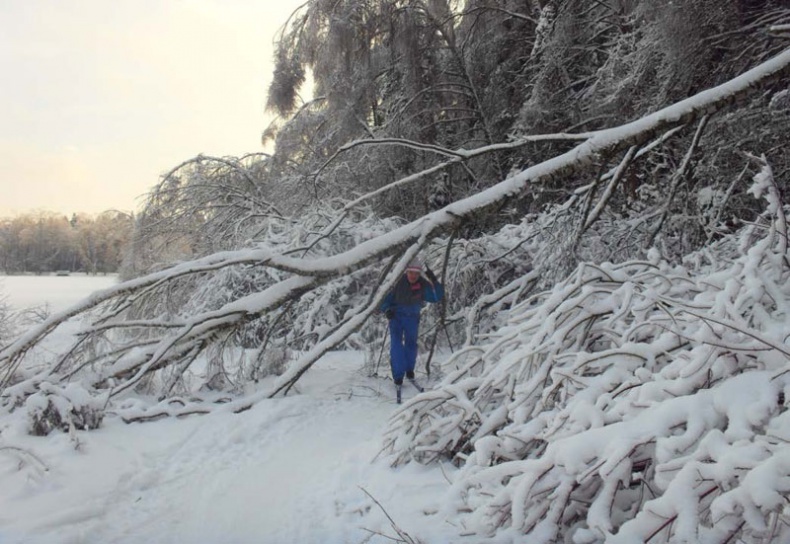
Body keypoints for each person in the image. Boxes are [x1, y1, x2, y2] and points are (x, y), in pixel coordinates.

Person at [380, 257, 444, 403]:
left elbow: (436, 296)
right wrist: (387, 309)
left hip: (412, 318)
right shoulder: (397, 283)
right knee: (396, 345)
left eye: (416, 273)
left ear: (419, 273)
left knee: (411, 344)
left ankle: (409, 370)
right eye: (410, 272)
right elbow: (384, 300)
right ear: (406, 272)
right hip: (396, 317)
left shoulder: (422, 284)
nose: (413, 276)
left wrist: (433, 279)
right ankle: (398, 376)